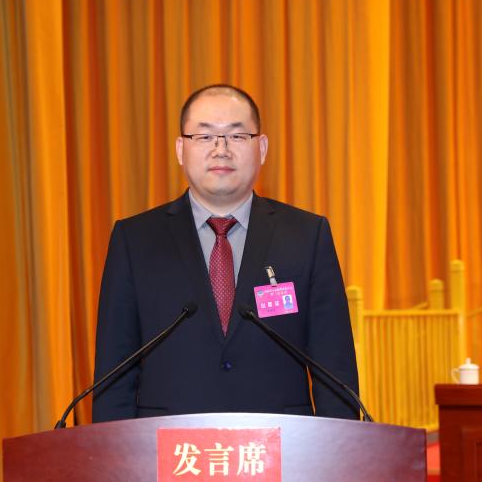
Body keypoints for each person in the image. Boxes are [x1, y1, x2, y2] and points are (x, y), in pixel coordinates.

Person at [92, 84, 360, 421]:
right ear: (180, 149)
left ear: (262, 148)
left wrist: (339, 449)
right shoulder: (135, 240)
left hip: (281, 444)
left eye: (237, 136)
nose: (221, 150)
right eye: (205, 137)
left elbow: (334, 370)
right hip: (168, 446)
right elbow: (114, 377)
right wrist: (115, 453)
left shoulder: (307, 236)